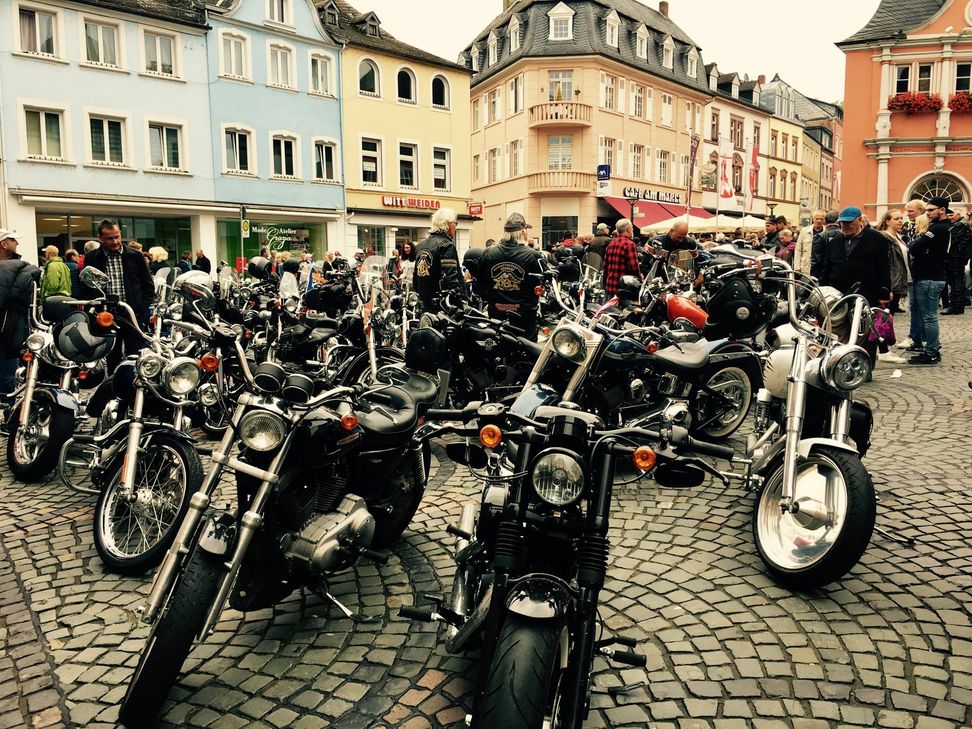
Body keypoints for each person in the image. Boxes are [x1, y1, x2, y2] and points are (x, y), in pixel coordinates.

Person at [816, 206, 892, 364]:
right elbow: (826, 266)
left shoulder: (877, 239)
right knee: (838, 329)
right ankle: (841, 364)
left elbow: (884, 267)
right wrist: (822, 290)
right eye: (842, 223)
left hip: (867, 292)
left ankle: (864, 366)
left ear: (860, 220)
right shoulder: (834, 241)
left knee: (864, 331)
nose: (845, 226)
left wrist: (884, 292)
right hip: (838, 292)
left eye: (849, 223)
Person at [82, 219, 155, 369]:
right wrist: (96, 311)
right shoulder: (92, 258)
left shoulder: (135, 256)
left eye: (117, 237)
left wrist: (139, 311)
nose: (115, 241)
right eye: (110, 238)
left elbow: (149, 287)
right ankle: (113, 388)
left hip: (132, 314)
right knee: (111, 356)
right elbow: (88, 288)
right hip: (106, 316)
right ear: (100, 238)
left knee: (135, 357)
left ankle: (134, 389)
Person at [477, 213, 546, 337]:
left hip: (496, 312)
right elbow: (541, 282)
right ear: (522, 232)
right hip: (524, 314)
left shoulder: (488, 253)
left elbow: (480, 282)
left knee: (497, 345)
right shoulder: (533, 255)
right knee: (527, 350)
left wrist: (491, 299)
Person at [907, 197, 950, 365]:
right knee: (927, 316)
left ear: (942, 210)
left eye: (931, 210)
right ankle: (931, 349)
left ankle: (931, 352)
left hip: (930, 278)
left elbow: (914, 247)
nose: (928, 213)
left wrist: (921, 249)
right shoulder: (939, 228)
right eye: (926, 210)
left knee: (929, 317)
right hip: (930, 277)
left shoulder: (939, 229)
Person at [0, 230, 40, 401]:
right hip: (10, 328)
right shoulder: (19, 268)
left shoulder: (19, 268)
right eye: (13, 240)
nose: (17, 243)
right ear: (4, 244)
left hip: (12, 326)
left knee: (9, 372)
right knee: (8, 374)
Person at [413, 207, 465, 311]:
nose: (456, 226)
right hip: (443, 306)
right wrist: (459, 303)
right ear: (449, 224)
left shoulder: (420, 246)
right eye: (455, 223)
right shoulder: (446, 246)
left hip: (425, 304)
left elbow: (416, 279)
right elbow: (451, 279)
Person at [876, 209, 910, 313]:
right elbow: (885, 262)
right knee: (886, 315)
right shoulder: (884, 237)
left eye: (901, 218)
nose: (900, 221)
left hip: (899, 280)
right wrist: (887, 285)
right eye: (896, 219)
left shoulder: (898, 237)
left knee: (891, 315)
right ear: (887, 222)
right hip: (891, 281)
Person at [603, 219, 642, 297]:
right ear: (628, 229)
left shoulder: (611, 243)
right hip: (623, 288)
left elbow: (605, 266)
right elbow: (634, 267)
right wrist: (640, 280)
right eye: (632, 228)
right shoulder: (630, 244)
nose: (632, 230)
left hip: (610, 286)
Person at [943, 205, 971, 315]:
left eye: (952, 214)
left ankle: (956, 306)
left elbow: (951, 238)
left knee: (956, 281)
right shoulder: (962, 224)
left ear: (958, 214)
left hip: (956, 257)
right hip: (959, 256)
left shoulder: (961, 224)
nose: (950, 217)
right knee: (957, 280)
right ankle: (957, 306)